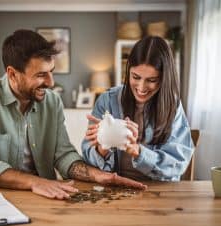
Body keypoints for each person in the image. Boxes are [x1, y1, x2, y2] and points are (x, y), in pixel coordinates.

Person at [0, 29, 146, 200]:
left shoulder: (52, 101)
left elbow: (63, 155)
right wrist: (35, 182)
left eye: (51, 72)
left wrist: (98, 175)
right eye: (41, 75)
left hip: (46, 197)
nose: (50, 83)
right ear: (13, 74)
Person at [82, 36, 194, 181]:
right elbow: (87, 157)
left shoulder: (172, 105)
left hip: (159, 191)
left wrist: (139, 151)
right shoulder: (107, 100)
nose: (141, 88)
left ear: (164, 78)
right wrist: (101, 148)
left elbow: (178, 163)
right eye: (135, 77)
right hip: (115, 187)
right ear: (128, 71)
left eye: (151, 80)